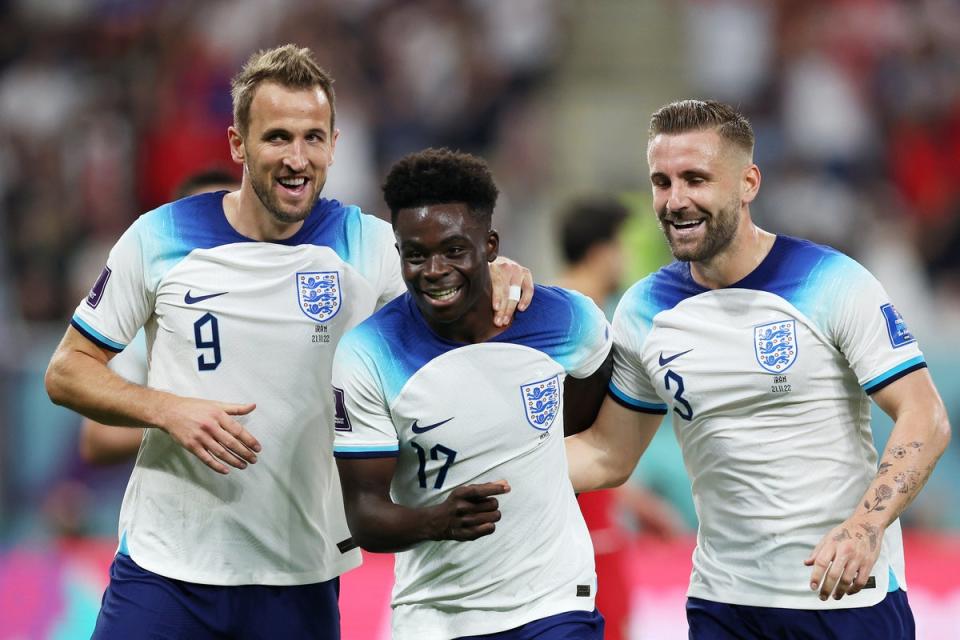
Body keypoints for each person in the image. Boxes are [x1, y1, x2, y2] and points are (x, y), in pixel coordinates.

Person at [45, 45, 531, 640]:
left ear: (333, 144)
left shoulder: (367, 245)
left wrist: (504, 272)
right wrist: (167, 409)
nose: (297, 158)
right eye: (277, 137)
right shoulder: (160, 237)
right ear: (236, 145)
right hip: (165, 568)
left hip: (298, 577)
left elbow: (458, 282)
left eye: (312, 138)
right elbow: (67, 369)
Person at [566, 99, 951, 638]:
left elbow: (924, 415)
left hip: (844, 599)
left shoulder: (833, 281)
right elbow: (609, 452)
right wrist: (482, 471)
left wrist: (865, 528)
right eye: (662, 181)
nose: (675, 201)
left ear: (748, 182)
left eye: (696, 179)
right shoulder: (643, 310)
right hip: (724, 603)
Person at [332, 148, 611, 639]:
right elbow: (365, 514)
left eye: (454, 250)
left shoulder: (565, 320)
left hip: (553, 603)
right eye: (416, 255)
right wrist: (435, 522)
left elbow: (590, 388)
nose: (434, 270)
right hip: (435, 614)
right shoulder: (368, 354)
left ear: (491, 245)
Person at [555, 196, 687, 640]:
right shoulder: (576, 324)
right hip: (581, 532)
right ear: (602, 253)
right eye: (621, 248)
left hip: (587, 519)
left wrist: (635, 503)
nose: (626, 260)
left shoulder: (542, 313)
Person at [78, 169, 240, 465]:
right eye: (205, 218)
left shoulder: (285, 305)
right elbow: (97, 438)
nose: (221, 232)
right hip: (179, 500)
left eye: (231, 214)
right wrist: (175, 417)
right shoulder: (148, 332)